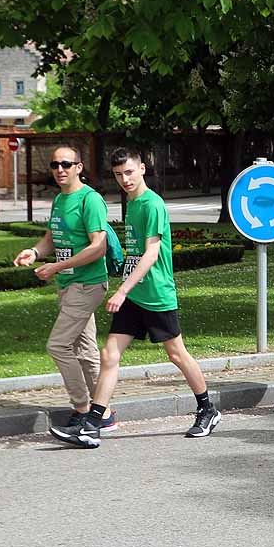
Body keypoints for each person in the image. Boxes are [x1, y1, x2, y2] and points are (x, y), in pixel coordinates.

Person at [49, 148, 221, 447]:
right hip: (134, 292)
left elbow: (152, 253)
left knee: (176, 354)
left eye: (129, 172)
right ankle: (93, 423)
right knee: (109, 354)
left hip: (155, 294)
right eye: (118, 175)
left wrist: (122, 289)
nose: (124, 180)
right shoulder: (131, 201)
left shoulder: (152, 204)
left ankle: (207, 409)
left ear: (142, 168)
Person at [13, 145, 116, 432]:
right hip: (69, 284)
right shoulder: (60, 199)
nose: (60, 169)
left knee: (57, 345)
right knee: (85, 350)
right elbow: (51, 238)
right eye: (56, 164)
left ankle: (83, 409)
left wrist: (56, 267)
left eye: (66, 164)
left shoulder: (90, 200)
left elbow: (98, 247)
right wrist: (34, 252)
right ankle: (103, 413)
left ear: (79, 167)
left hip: (88, 284)